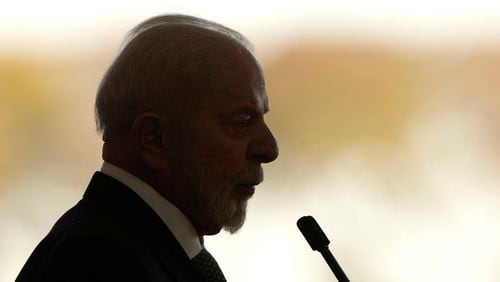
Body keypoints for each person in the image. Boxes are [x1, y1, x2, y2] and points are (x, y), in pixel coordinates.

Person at [16, 14, 278, 282]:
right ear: (153, 138)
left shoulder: (139, 246)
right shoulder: (96, 262)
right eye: (242, 123)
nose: (270, 149)